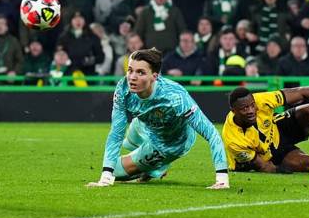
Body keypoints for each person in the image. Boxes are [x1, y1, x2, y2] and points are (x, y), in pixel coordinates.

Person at [87, 48, 229, 189]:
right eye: (130, 70)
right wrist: (105, 177)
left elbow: (211, 133)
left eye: (140, 72)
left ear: (154, 76)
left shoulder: (175, 96)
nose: (132, 77)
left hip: (169, 143)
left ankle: (157, 167)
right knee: (124, 145)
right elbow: (116, 133)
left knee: (116, 171)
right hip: (145, 125)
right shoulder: (123, 89)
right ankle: (150, 164)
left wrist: (222, 179)